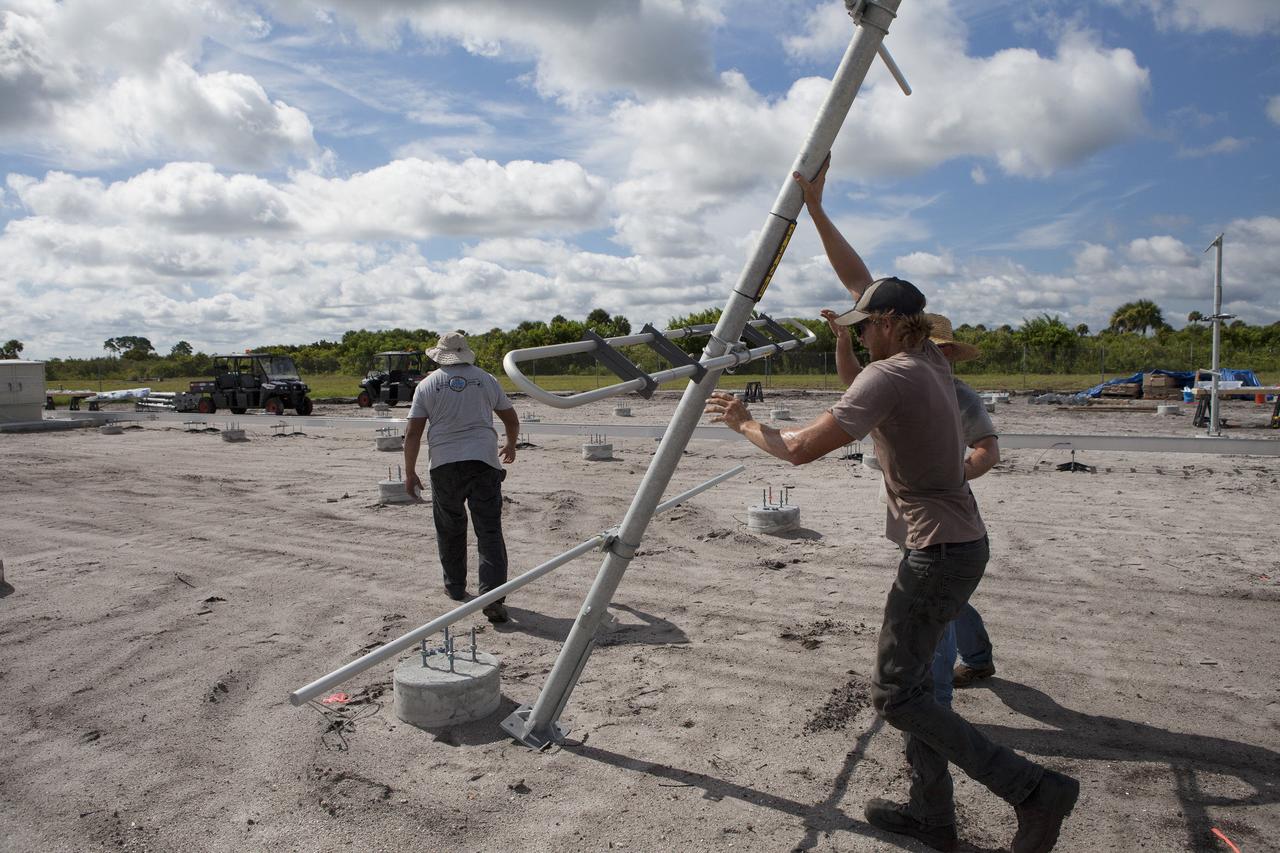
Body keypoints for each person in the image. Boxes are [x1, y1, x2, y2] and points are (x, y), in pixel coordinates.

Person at [707, 238, 1077, 853]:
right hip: (958, 542)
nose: (861, 330)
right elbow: (863, 281)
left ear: (884, 327)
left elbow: (798, 449)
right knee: (911, 688)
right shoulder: (929, 359)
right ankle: (932, 815)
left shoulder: (890, 375)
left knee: (894, 694)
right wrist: (817, 208)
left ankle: (1032, 790)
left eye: (864, 324)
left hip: (938, 552)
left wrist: (743, 423)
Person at [404, 332, 519, 624]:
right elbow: (511, 418)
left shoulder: (427, 385)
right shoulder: (486, 379)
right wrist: (510, 443)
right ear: (465, 353)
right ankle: (492, 598)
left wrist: (410, 471)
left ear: (439, 355)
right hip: (483, 461)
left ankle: (456, 588)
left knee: (450, 527)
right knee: (489, 531)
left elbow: (413, 434)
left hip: (444, 465)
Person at [925, 313, 999, 706]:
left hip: (944, 520)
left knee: (936, 603)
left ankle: (935, 711)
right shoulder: (903, 389)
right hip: (913, 517)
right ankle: (978, 659)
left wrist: (955, 476)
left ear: (949, 354)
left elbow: (988, 448)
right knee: (949, 595)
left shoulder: (961, 396)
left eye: (934, 351)